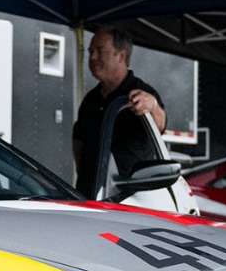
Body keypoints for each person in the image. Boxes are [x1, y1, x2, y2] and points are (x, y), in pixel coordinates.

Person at [71, 24, 167, 194]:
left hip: (129, 197)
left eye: (100, 51)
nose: (92, 57)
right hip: (91, 196)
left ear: (121, 56)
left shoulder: (142, 94)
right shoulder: (90, 100)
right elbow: (78, 140)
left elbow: (160, 127)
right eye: (90, 51)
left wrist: (152, 106)